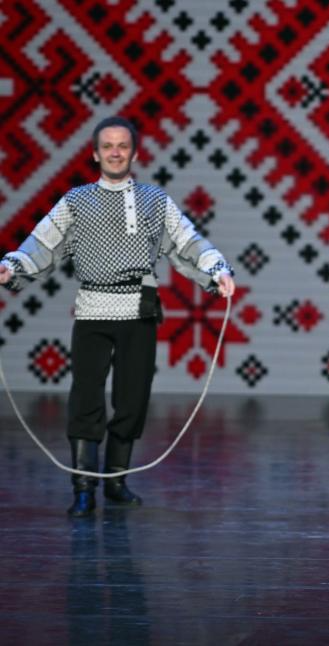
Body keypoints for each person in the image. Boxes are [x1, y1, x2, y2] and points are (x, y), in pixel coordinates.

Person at [0, 116, 235, 518]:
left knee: (132, 399)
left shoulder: (154, 200)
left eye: (122, 145)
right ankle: (83, 487)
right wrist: (12, 267)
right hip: (93, 310)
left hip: (139, 310)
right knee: (85, 398)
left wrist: (217, 270)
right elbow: (43, 244)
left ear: (134, 154)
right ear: (95, 154)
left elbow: (187, 242)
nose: (114, 152)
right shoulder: (76, 202)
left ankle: (115, 480)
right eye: (107, 146)